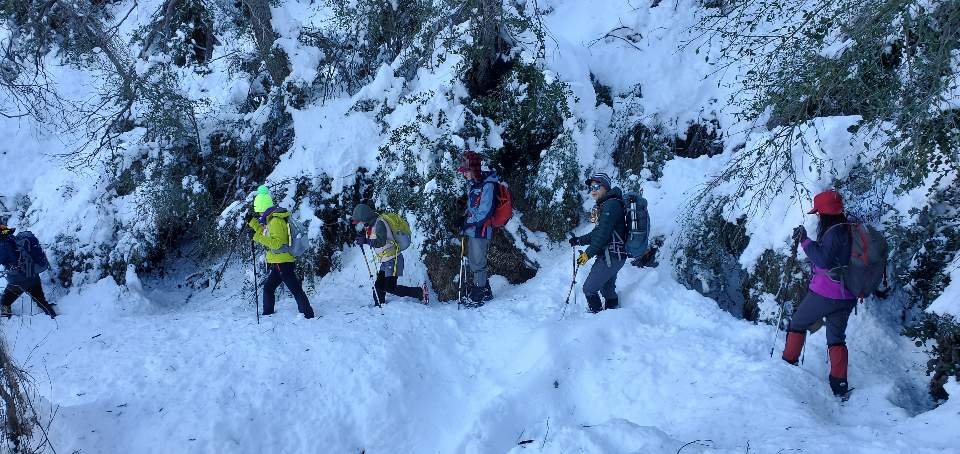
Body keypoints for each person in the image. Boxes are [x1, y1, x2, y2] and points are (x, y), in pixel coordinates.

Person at [781, 190, 856, 398]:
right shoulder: (848, 228)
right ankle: (839, 385)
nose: (817, 216)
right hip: (847, 295)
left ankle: (787, 365)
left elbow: (822, 260)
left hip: (826, 293)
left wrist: (804, 240)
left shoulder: (833, 232)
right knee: (836, 338)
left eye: (818, 213)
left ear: (823, 213)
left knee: (798, 323)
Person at [248, 185, 315, 319]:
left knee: (295, 289)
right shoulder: (272, 219)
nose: (259, 215)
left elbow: (277, 243)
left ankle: (308, 314)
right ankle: (268, 313)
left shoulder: (275, 221)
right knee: (269, 288)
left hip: (282, 262)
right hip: (280, 261)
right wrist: (252, 223)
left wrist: (256, 237)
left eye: (259, 212)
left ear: (263, 209)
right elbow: (266, 234)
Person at [569, 172, 627, 313]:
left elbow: (602, 236)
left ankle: (596, 319)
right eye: (591, 188)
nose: (593, 190)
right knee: (607, 290)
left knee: (589, 288)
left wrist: (587, 255)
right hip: (614, 255)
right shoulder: (607, 204)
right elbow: (598, 232)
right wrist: (579, 240)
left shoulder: (611, 205)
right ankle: (613, 316)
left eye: (596, 186)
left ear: (605, 187)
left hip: (611, 256)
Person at [351, 204, 427, 305]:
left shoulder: (379, 224)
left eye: (360, 221)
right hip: (386, 260)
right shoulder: (371, 225)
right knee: (379, 286)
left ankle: (420, 292)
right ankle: (379, 305)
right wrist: (363, 237)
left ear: (365, 218)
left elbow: (380, 242)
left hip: (393, 259)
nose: (360, 224)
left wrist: (365, 241)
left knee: (389, 287)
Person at [458, 151, 499, 306]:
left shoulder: (488, 185)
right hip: (473, 229)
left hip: (481, 230)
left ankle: (478, 295)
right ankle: (486, 291)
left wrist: (468, 222)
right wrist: (463, 218)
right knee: (474, 261)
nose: (464, 174)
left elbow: (485, 212)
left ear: (474, 169)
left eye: (466, 171)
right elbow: (473, 208)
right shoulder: (474, 183)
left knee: (477, 263)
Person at [0, 224, 56, 318]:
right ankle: (53, 316)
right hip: (33, 275)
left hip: (18, 282)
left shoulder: (2, 246)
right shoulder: (12, 238)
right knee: (40, 300)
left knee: (5, 302)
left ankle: (6, 319)